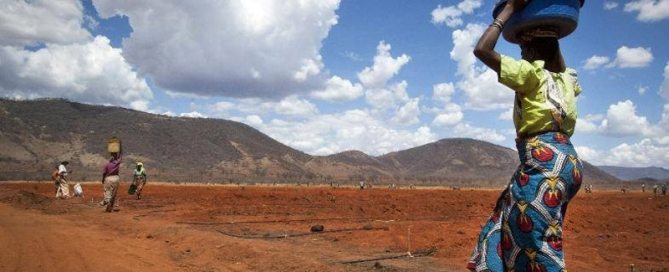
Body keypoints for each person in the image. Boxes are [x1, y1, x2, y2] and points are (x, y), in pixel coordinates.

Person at [467, 1, 583, 271]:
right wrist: (551, 37)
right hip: (569, 164)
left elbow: (482, 49)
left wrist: (509, 9)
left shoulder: (530, 73)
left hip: (544, 165)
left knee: (535, 242)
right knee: (508, 219)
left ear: (531, 50)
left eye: (522, 49)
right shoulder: (567, 79)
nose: (520, 54)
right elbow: (560, 64)